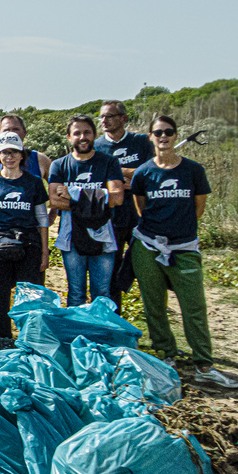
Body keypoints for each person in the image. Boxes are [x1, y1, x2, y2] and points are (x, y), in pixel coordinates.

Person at [131, 115, 238, 389]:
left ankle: (204, 364)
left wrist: (179, 231)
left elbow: (198, 208)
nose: (164, 137)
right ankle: (167, 356)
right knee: (153, 305)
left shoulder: (192, 170)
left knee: (194, 307)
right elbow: (141, 208)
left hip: (184, 246)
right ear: (151, 137)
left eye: (169, 132)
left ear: (175, 134)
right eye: (158, 132)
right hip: (148, 245)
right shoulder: (144, 172)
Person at [0, 132, 50, 348]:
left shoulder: (33, 182)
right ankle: (5, 337)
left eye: (14, 152)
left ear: (22, 155)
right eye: (5, 152)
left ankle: (29, 336)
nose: (10, 156)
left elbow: (42, 217)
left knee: (29, 294)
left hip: (29, 243)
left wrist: (45, 251)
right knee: (0, 293)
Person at [47, 114, 125, 307]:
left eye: (87, 132)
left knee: (102, 294)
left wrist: (73, 193)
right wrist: (98, 197)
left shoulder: (108, 162)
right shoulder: (59, 165)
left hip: (103, 235)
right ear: (69, 137)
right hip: (71, 236)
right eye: (77, 133)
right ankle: (78, 336)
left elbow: (117, 198)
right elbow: (55, 201)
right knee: (75, 293)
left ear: (94, 135)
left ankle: (101, 336)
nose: (83, 137)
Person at [93, 99, 155, 314]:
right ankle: (114, 321)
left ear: (123, 118)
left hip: (141, 217)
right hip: (111, 218)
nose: (104, 121)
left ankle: (155, 322)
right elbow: (98, 179)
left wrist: (119, 175)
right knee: (112, 274)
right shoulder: (97, 146)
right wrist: (127, 177)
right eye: (101, 116)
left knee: (147, 270)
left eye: (109, 116)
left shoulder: (141, 142)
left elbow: (150, 172)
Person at [0, 114, 51, 182]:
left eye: (16, 129)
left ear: (24, 133)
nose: (11, 133)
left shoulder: (40, 159)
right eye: (6, 130)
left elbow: (57, 188)